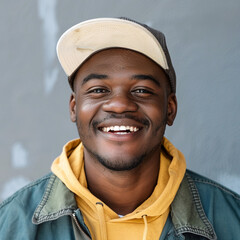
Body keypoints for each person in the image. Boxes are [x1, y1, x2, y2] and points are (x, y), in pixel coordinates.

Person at [0, 17, 239, 240]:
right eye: (98, 90)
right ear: (74, 108)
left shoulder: (231, 220)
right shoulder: (11, 223)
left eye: (142, 90)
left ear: (170, 109)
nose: (119, 104)